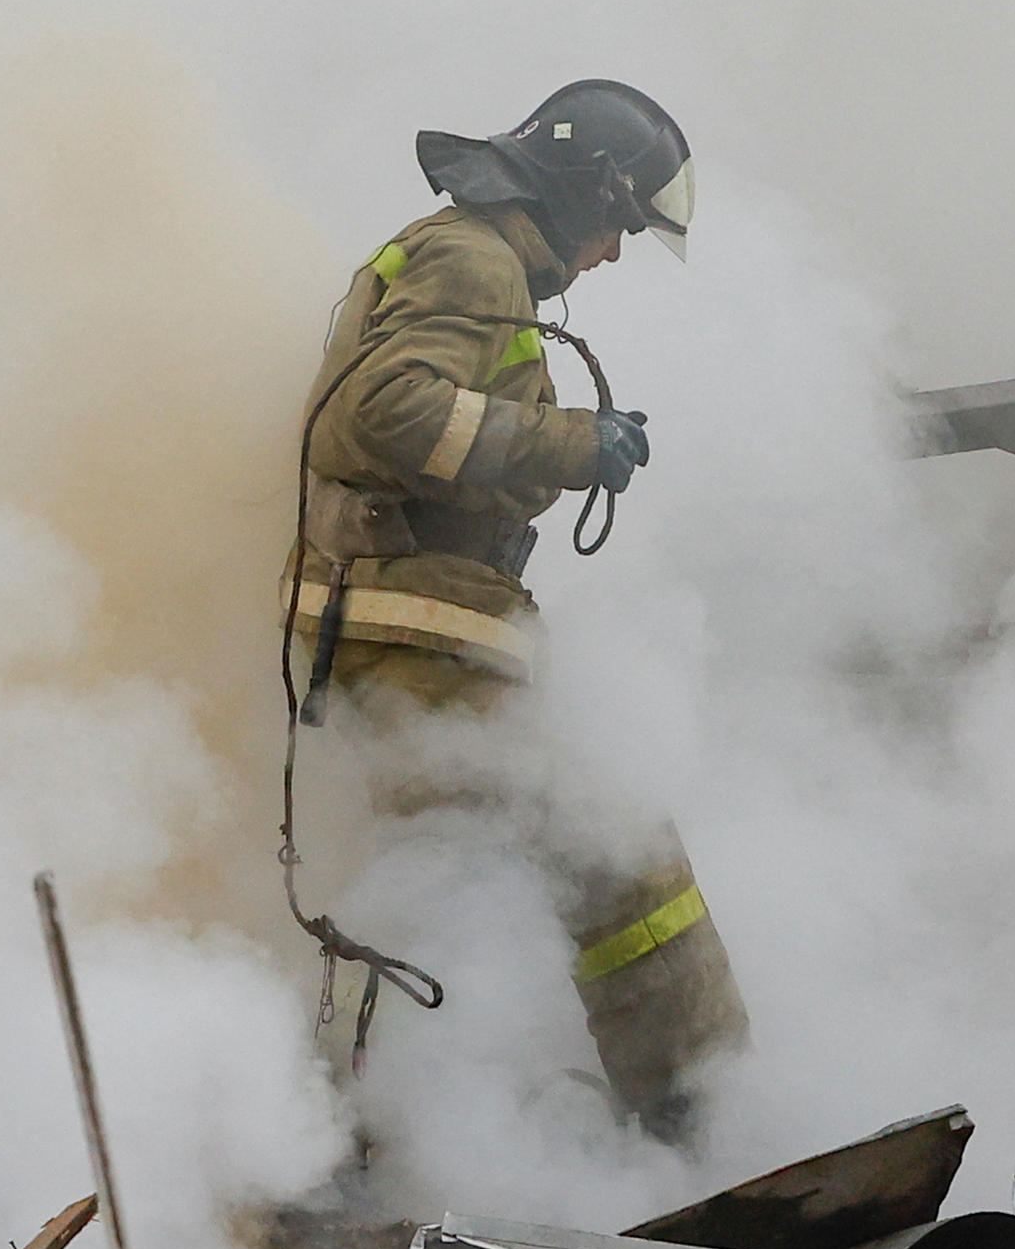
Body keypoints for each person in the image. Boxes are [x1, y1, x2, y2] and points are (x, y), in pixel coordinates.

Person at [279, 81, 746, 1132]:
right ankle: (707, 1118)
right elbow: (384, 412)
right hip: (415, 631)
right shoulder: (471, 258)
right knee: (616, 845)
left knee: (454, 892)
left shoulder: (462, 257)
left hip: (402, 631)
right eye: (618, 226)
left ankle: (371, 1139)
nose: (615, 254)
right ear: (588, 192)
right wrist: (574, 443)